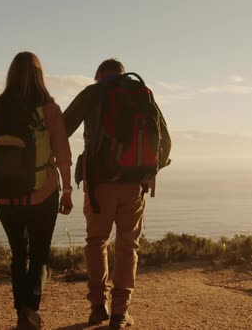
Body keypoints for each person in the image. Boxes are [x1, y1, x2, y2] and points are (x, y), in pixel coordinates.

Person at [63, 59, 171, 329]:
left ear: (100, 75)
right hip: (134, 185)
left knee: (97, 241)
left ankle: (98, 307)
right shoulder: (142, 93)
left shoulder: (94, 92)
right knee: (127, 245)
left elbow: (62, 128)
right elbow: (165, 141)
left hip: (99, 184)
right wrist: (148, 172)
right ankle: (120, 313)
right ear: (122, 74)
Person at [0, 51, 73, 330]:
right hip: (43, 192)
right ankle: (31, 311)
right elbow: (63, 155)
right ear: (40, 76)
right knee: (39, 255)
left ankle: (21, 312)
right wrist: (67, 191)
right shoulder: (49, 109)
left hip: (4, 196)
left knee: (19, 254)